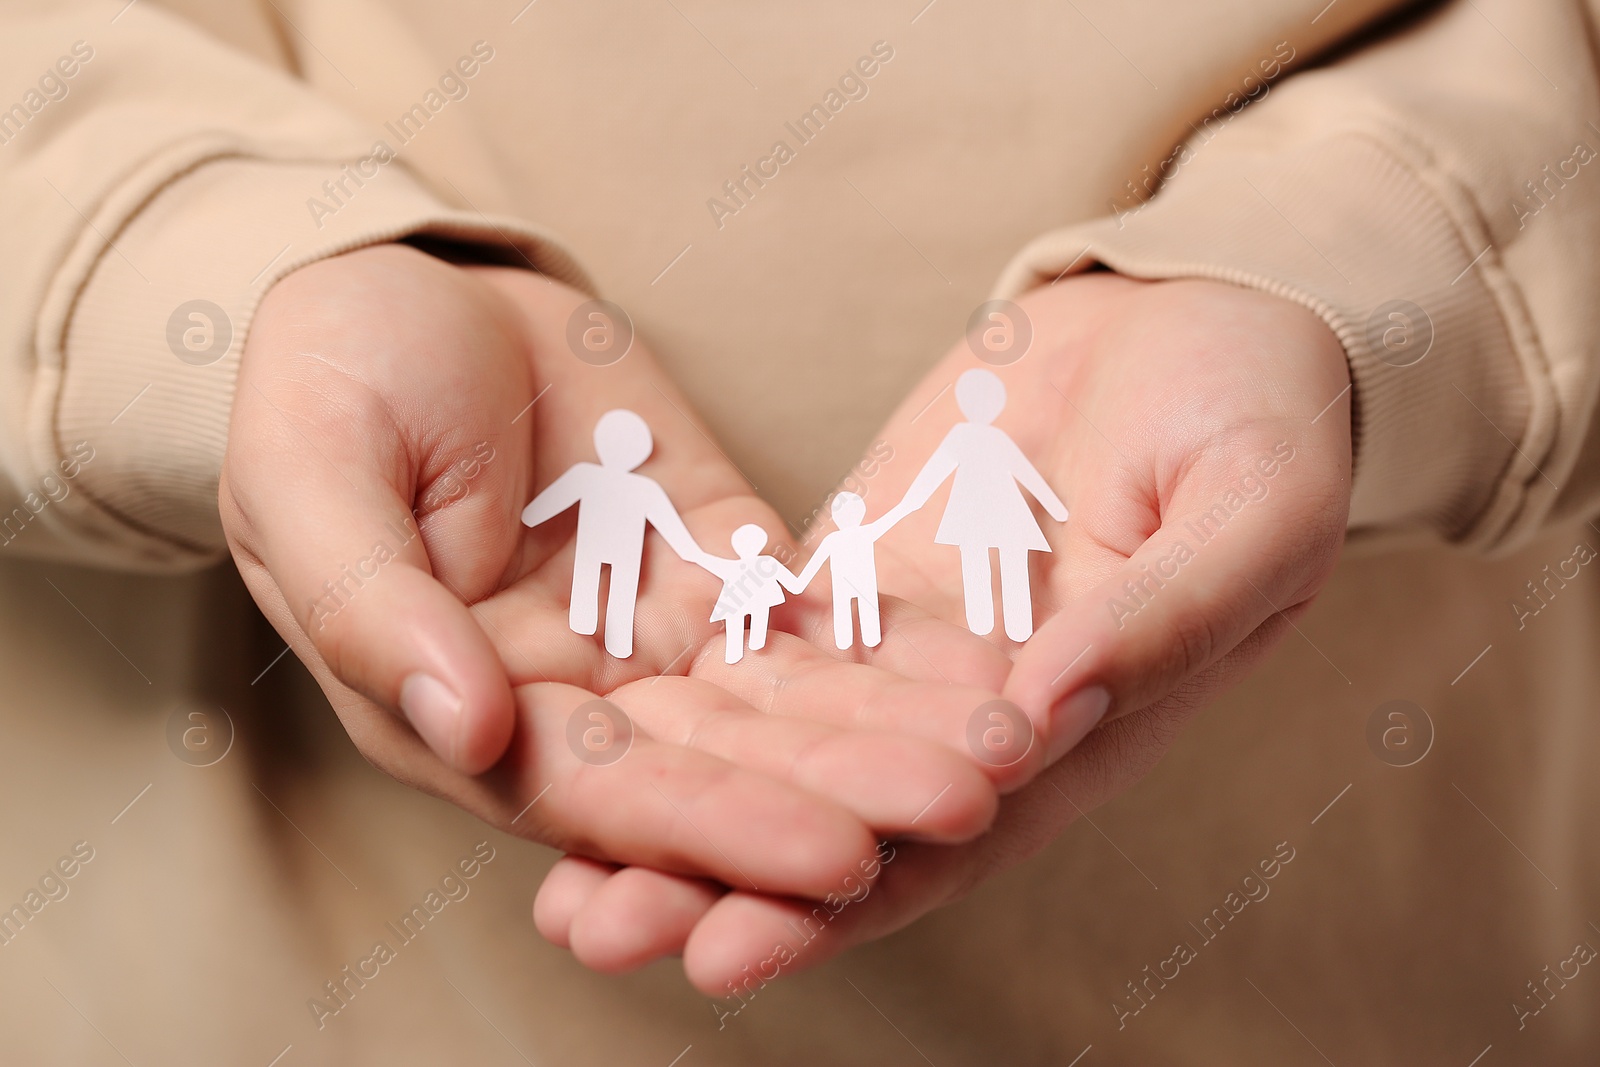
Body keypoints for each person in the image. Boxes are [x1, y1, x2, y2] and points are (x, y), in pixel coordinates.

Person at [4, 2, 1600, 1064]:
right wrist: (189, 264)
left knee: (980, 579)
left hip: (1337, 961)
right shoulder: (616, 489)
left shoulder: (980, 479)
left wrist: (1375, 258)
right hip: (271, 969)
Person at [885, 368, 1068, 641]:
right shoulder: (965, 436)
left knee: (1000, 559)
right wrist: (912, 500)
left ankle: (1015, 624)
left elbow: (1025, 473)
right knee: (982, 560)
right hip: (978, 509)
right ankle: (984, 624)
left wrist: (1055, 507)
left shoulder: (992, 437)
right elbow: (936, 469)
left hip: (996, 508)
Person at [520, 408, 708, 659]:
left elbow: (548, 504)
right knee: (618, 589)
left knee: (597, 583)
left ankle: (589, 625)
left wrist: (531, 516)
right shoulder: (643, 487)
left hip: (601, 545)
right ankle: (611, 637)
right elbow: (670, 525)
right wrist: (690, 551)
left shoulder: (589, 475)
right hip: (622, 550)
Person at [791, 490, 900, 649]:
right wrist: (797, 583)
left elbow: (814, 563)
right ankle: (855, 639)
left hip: (855, 583)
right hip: (851, 583)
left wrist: (798, 583)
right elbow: (893, 517)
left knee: (856, 609)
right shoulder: (862, 533)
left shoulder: (845, 536)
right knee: (850, 610)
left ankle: (864, 638)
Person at [701, 523, 803, 663]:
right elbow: (794, 585)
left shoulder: (738, 565)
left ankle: (742, 649)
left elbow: (704, 559)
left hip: (745, 602)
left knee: (749, 624)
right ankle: (745, 647)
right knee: (751, 625)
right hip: (745, 602)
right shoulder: (764, 562)